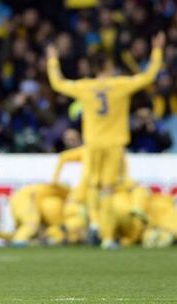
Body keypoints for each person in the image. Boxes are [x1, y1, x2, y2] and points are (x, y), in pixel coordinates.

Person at [47, 32, 164, 249]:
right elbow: (148, 76)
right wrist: (157, 50)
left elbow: (57, 83)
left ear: (94, 68)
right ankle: (107, 237)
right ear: (109, 67)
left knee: (92, 185)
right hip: (114, 144)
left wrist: (53, 59)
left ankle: (94, 223)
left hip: (92, 144)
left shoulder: (86, 86)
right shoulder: (121, 84)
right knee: (109, 189)